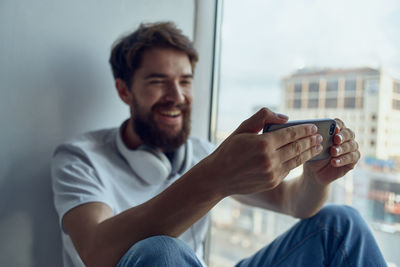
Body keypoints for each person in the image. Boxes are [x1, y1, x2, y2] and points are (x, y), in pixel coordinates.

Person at [51, 21, 387, 267]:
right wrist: (215, 178)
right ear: (124, 90)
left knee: (341, 224)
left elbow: (293, 203)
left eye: (185, 81)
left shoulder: (200, 152)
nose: (177, 96)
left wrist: (316, 178)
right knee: (160, 251)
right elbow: (96, 252)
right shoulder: (80, 158)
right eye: (158, 82)